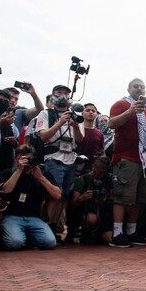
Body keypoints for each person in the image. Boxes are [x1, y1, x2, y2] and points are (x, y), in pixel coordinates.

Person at [108, 78, 146, 247]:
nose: (139, 89)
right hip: (127, 158)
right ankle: (117, 232)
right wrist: (129, 112)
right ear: (129, 89)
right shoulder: (121, 104)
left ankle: (131, 231)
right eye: (136, 86)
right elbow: (111, 123)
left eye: (142, 87)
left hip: (145, 160)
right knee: (122, 196)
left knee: (137, 197)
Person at [34, 85, 83, 242]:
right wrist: (60, 122)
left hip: (71, 157)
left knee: (64, 196)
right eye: (59, 93)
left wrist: (75, 125)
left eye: (66, 94)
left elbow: (80, 139)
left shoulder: (76, 115)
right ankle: (47, 226)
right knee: (54, 193)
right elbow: (43, 137)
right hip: (54, 157)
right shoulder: (45, 114)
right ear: (52, 96)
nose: (63, 96)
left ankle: (54, 226)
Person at [0, 146, 62, 250]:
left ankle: (28, 237)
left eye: (29, 159)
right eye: (23, 159)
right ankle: (23, 237)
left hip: (34, 217)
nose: (27, 162)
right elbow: (5, 190)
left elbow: (57, 195)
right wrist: (19, 170)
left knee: (49, 242)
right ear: (16, 159)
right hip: (12, 215)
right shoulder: (8, 173)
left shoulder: (41, 174)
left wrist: (40, 178)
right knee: (14, 243)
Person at [71, 156, 113, 245]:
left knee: (110, 239)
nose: (98, 174)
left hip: (105, 215)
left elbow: (114, 199)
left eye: (102, 172)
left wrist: (105, 199)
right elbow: (73, 205)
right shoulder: (83, 179)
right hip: (86, 212)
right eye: (96, 170)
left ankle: (98, 236)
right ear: (93, 166)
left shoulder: (110, 179)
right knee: (91, 219)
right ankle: (86, 233)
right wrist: (82, 198)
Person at [76, 103, 105, 172]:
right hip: (75, 167)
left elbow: (102, 152)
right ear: (82, 113)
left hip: (92, 170)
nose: (90, 112)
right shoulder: (76, 129)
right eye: (87, 110)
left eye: (93, 111)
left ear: (96, 114)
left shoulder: (100, 134)